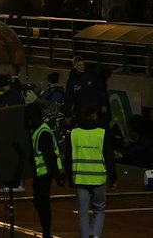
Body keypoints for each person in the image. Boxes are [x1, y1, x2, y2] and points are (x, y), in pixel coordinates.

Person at [66, 104, 116, 238]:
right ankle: (96, 235)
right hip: (98, 178)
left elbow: (68, 159)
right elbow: (110, 158)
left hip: (81, 178)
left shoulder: (74, 134)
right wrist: (113, 179)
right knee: (99, 209)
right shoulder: (102, 133)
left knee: (83, 212)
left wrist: (69, 178)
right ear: (95, 116)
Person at [28, 102, 66, 238]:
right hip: (40, 174)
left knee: (42, 204)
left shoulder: (43, 132)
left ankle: (46, 233)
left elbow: (50, 157)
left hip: (44, 174)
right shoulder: (38, 130)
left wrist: (57, 176)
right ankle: (46, 232)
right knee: (39, 203)